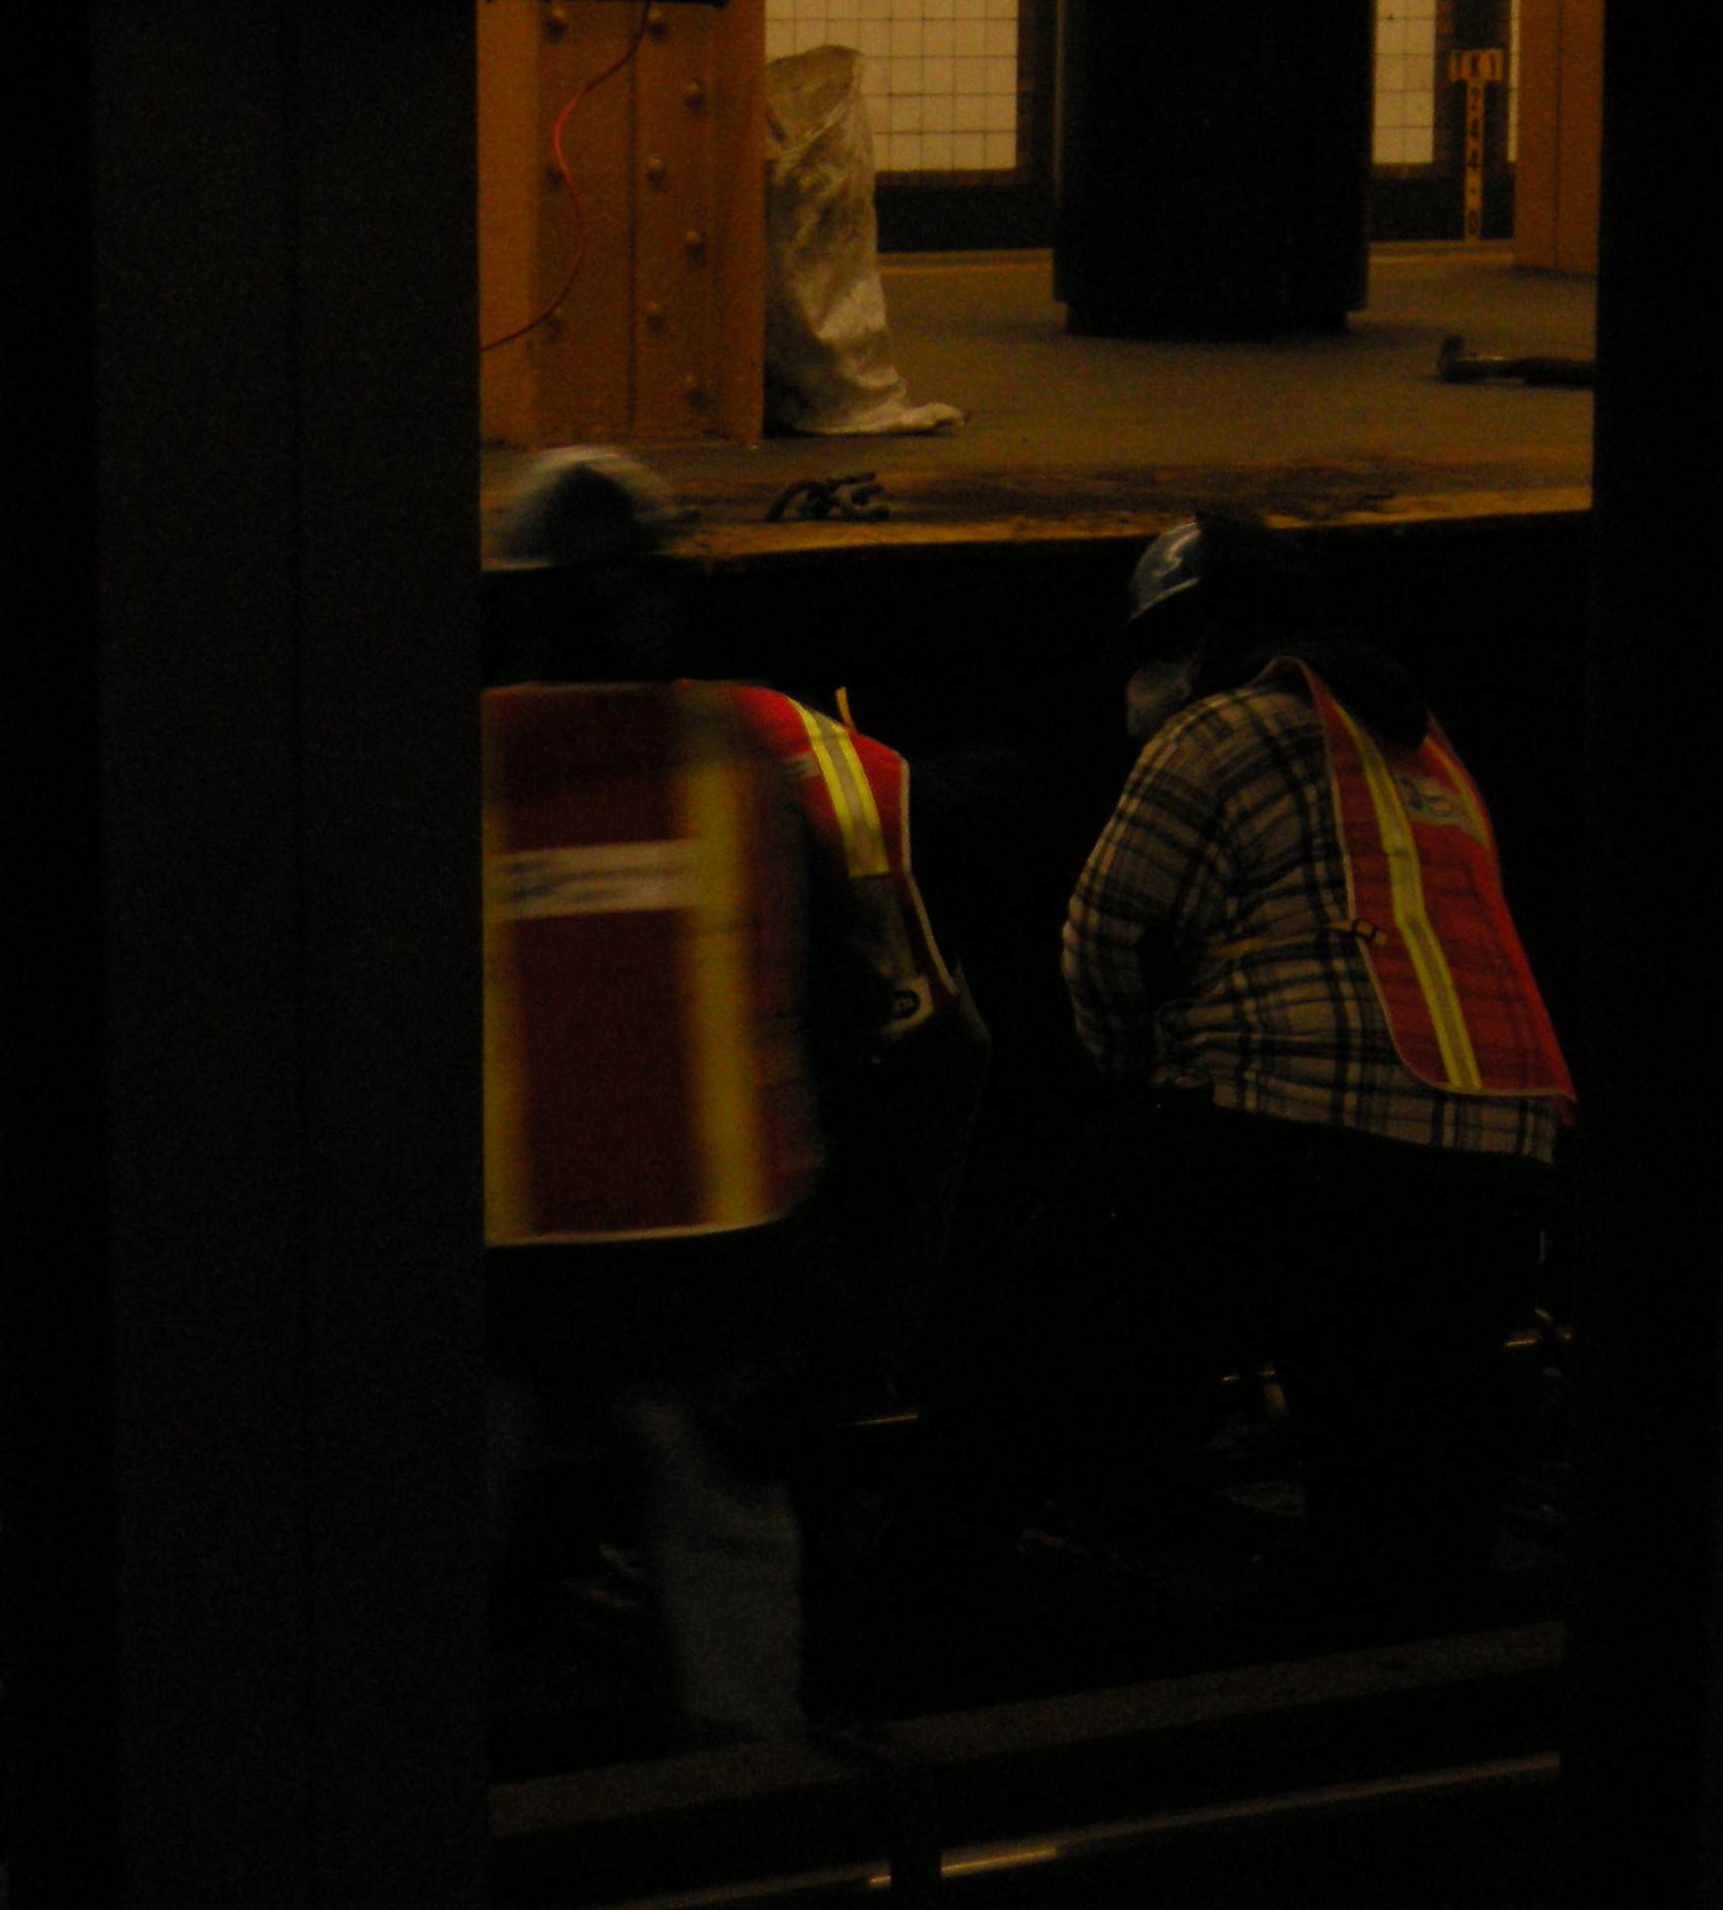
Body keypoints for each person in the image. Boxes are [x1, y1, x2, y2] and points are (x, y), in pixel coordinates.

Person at [946, 510, 1570, 1626]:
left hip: (1295, 1118)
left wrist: (1141, 1076)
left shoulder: (1220, 725)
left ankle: (951, 1571)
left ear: (1200, 636)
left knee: (1051, 1305)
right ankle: (1395, 1662)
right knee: (1401, 1456)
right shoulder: (1432, 752)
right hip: (1501, 1141)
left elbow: (1106, 937)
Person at [482, 448, 980, 1743]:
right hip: (720, 1262)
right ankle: (750, 1800)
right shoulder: (746, 750)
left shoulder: (450, 759)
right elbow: (857, 1022)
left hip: (499, 1266)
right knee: (733, 1548)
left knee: (411, 1554)